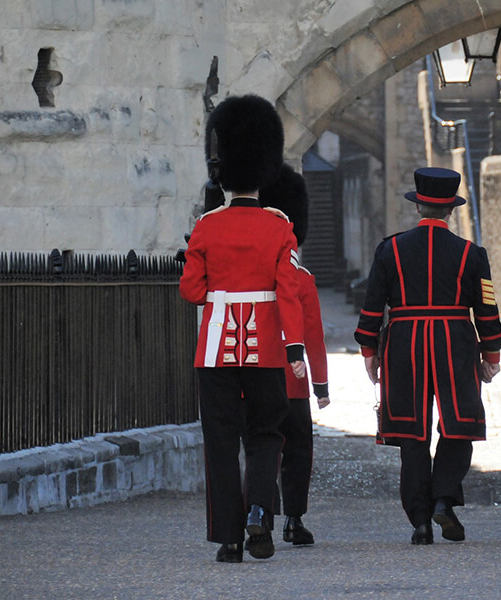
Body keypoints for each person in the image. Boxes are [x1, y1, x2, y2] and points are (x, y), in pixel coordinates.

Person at [179, 94, 307, 563]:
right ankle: (258, 511)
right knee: (266, 434)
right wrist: (295, 348)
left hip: (214, 352)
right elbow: (288, 293)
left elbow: (192, 292)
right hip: (267, 351)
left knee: (219, 444)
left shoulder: (207, 226)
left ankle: (229, 540)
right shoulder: (279, 227)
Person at [355, 167, 501, 545]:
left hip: (405, 341)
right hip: (455, 340)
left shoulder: (390, 249)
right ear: (451, 210)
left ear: (418, 205)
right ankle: (443, 498)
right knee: (459, 425)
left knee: (411, 434)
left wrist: (369, 351)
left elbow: (373, 306)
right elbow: (486, 308)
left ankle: (420, 520)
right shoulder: (472, 253)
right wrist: (492, 352)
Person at [258, 163, 330, 546]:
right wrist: (320, 384)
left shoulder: (249, 278)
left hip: (254, 375)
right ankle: (294, 520)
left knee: (261, 447)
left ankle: (262, 513)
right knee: (297, 451)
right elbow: (312, 337)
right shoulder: (302, 281)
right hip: (294, 382)